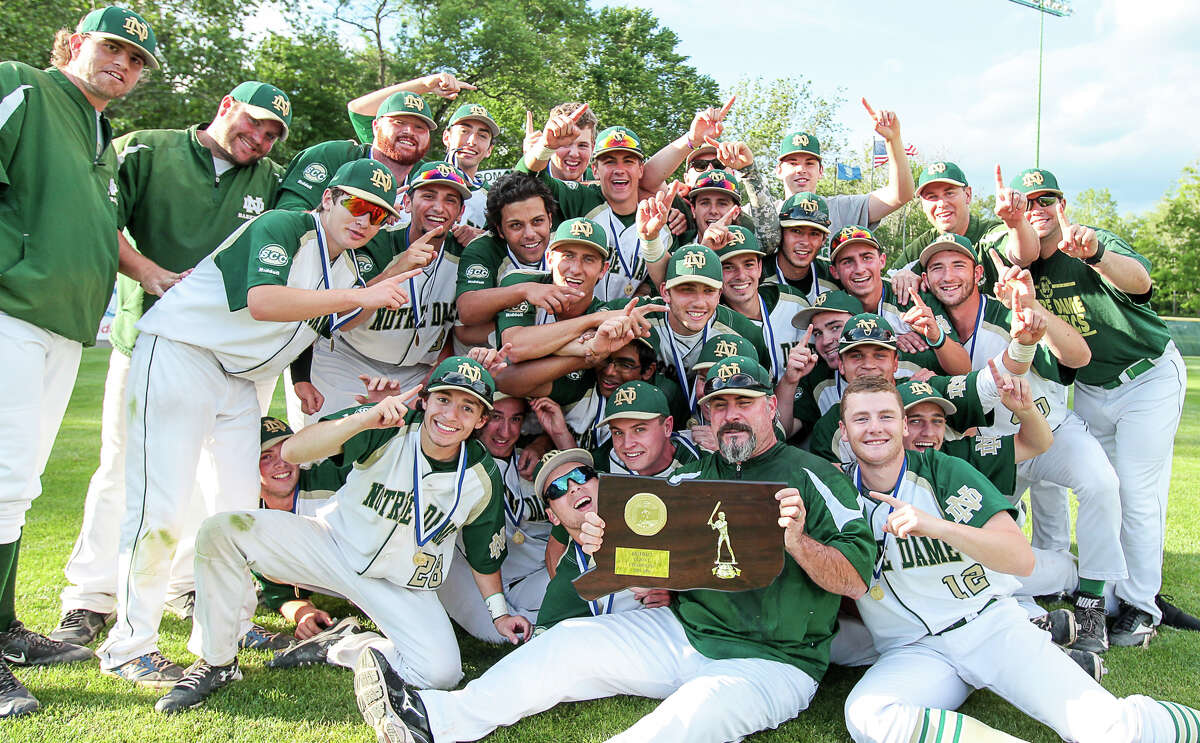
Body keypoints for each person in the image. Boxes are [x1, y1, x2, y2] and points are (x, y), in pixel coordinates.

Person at [352, 354, 876, 743]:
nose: (731, 415)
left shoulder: (815, 476)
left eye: (743, 402)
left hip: (772, 661)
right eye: (719, 406)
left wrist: (799, 543)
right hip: (684, 632)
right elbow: (654, 568)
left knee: (678, 724)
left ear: (768, 405)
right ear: (707, 416)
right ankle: (435, 721)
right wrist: (603, 547)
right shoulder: (691, 478)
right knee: (567, 644)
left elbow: (855, 580)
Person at [96, 159, 415, 687]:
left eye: (378, 216)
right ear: (330, 197)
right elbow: (264, 302)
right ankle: (129, 646)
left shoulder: (349, 269)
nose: (365, 221)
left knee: (239, 511)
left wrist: (383, 277)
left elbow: (329, 318)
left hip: (241, 378)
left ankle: (225, 634)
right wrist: (365, 293)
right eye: (357, 205)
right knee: (161, 504)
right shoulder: (284, 225)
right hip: (183, 351)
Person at [52, 79, 292, 648]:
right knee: (122, 470)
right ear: (226, 105)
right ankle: (90, 597)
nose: (258, 139)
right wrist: (147, 270)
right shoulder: (148, 149)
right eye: (253, 123)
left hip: (235, 357)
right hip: (150, 340)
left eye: (271, 134)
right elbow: (96, 219)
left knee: (220, 483)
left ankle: (191, 587)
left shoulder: (272, 180)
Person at [154, 357, 528, 713]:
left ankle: (344, 645)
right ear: (425, 400)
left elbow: (483, 555)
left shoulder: (481, 477)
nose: (450, 415)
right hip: (332, 545)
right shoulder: (389, 427)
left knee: (441, 675)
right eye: (443, 400)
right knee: (221, 531)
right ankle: (218, 661)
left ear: (481, 420)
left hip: (402, 582)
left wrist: (498, 615)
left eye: (467, 407)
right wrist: (364, 420)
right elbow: (295, 450)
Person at [838, 376, 1200, 743]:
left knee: (1108, 730)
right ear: (844, 430)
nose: (874, 428)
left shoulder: (944, 471)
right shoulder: (835, 490)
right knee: (868, 716)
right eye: (861, 419)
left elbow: (1020, 559)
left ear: (901, 424)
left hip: (988, 628)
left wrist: (938, 527)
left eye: (885, 416)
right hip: (913, 651)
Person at [0, 5, 158, 716]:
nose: (123, 63)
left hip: (60, 327)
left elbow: (100, 229)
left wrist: (153, 276)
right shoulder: (23, 87)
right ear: (74, 43)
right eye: (112, 48)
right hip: (11, 311)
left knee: (19, 482)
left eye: (137, 60)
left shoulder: (101, 137)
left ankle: (4, 629)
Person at [1004, 167, 1190, 646]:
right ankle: (1105, 593)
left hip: (1144, 376)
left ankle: (1140, 606)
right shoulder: (1021, 264)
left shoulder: (1088, 243)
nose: (1038, 210)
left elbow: (1141, 283)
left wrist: (1100, 255)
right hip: (1089, 387)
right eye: (1029, 202)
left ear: (1062, 207)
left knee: (1134, 492)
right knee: (1099, 491)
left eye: (1048, 200)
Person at [919, 232, 1123, 653]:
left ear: (978, 272)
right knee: (984, 539)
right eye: (936, 267)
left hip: (1048, 429)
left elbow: (1078, 356)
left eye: (958, 265)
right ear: (926, 278)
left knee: (1101, 484)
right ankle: (1036, 617)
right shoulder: (924, 323)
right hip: (989, 446)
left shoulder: (1008, 308)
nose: (948, 275)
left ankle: (1090, 605)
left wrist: (1033, 313)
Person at [306, 162, 472, 417]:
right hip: (349, 360)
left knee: (407, 450)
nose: (439, 207)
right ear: (406, 202)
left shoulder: (465, 254)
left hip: (417, 370)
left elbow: (456, 326)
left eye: (450, 200)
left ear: (460, 212)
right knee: (334, 446)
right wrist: (395, 270)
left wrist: (440, 365)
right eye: (428, 196)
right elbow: (342, 319)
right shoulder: (374, 241)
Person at [435, 392, 553, 644]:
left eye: (515, 419)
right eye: (496, 418)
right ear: (478, 419)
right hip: (475, 575)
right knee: (508, 636)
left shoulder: (532, 460)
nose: (505, 431)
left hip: (535, 576)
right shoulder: (454, 462)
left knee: (593, 599)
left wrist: (544, 442)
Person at [530, 448, 671, 633]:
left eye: (582, 475)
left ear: (601, 482)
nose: (574, 486)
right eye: (558, 488)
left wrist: (674, 592)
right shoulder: (568, 581)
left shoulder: (649, 518)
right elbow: (543, 646)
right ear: (553, 517)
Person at [454, 172, 566, 347]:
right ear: (499, 230)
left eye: (537, 221)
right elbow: (467, 314)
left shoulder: (562, 246)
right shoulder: (483, 249)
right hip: (488, 359)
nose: (529, 234)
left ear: (550, 219)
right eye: (516, 225)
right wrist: (524, 291)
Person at [760, 192, 840, 303]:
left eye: (814, 234)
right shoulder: (758, 274)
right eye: (796, 231)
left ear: (824, 239)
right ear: (780, 233)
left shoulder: (833, 276)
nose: (805, 242)